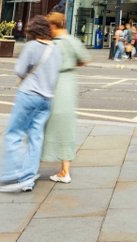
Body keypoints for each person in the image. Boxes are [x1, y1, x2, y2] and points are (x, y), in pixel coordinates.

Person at [0, 16, 61, 193]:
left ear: (32, 31)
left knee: (14, 134)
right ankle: (28, 179)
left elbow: (20, 70)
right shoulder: (56, 50)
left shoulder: (32, 46)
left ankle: (11, 174)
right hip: (47, 98)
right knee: (36, 138)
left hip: (29, 94)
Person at [41, 12, 90, 184]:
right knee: (66, 126)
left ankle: (33, 164)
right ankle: (64, 171)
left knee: (43, 123)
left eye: (49, 27)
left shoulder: (53, 44)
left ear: (54, 26)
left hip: (55, 84)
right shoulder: (73, 40)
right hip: (69, 83)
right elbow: (84, 59)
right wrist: (71, 64)